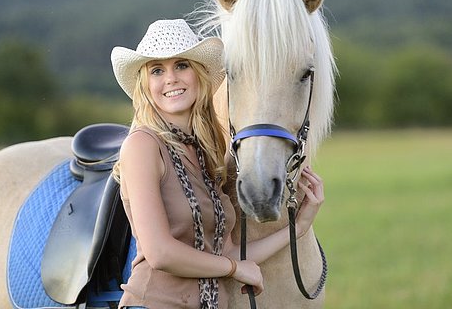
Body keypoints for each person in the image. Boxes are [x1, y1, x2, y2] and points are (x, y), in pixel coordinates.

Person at [110, 19, 324, 309]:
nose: (170, 78)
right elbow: (159, 252)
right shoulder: (142, 145)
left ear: (198, 74)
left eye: (181, 66)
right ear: (146, 85)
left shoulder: (204, 152)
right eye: (157, 70)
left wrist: (297, 228)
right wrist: (234, 270)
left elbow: (230, 252)